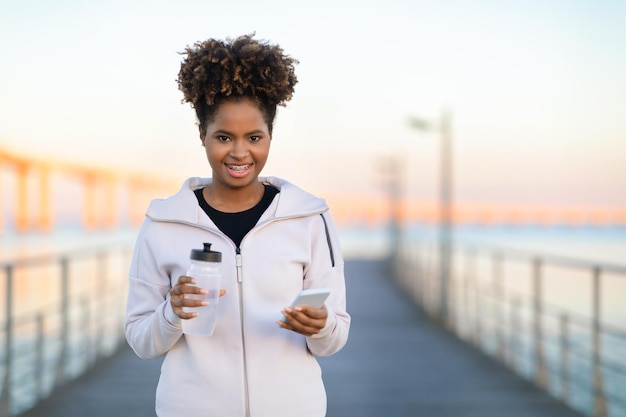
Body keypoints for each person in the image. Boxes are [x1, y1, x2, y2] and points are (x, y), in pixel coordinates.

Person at [124, 34, 350, 417]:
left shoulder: (310, 219)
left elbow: (335, 338)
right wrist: (172, 312)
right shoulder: (163, 223)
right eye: (224, 137)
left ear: (270, 137)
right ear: (203, 136)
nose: (240, 152)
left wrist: (321, 325)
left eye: (254, 137)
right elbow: (142, 341)